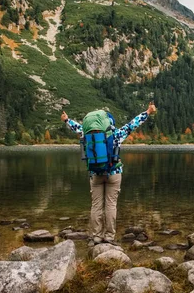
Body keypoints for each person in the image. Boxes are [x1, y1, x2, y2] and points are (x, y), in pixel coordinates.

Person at [61, 102, 157, 244]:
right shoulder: (117, 134)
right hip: (114, 173)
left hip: (95, 174)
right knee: (111, 205)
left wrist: (66, 120)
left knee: (96, 205)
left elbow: (77, 128)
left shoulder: (88, 134)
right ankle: (109, 237)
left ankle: (96, 237)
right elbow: (133, 124)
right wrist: (148, 112)